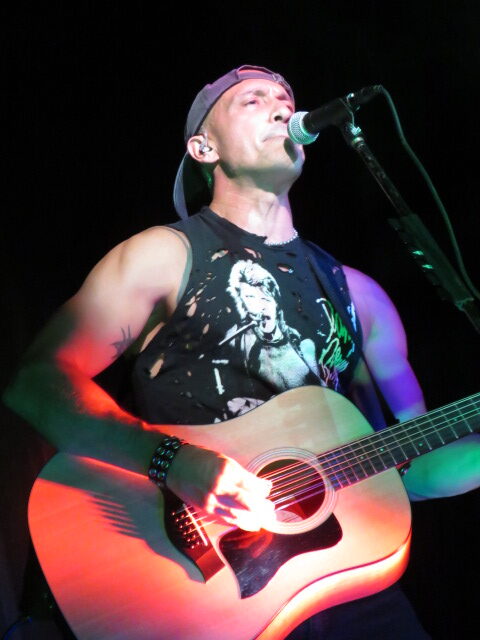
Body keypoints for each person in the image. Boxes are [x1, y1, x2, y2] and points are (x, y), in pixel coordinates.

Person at [4, 65, 479, 639]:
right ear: (203, 147)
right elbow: (37, 383)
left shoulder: (362, 297)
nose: (282, 108)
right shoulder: (163, 255)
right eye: (253, 100)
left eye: (286, 99)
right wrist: (171, 460)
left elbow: (411, 466)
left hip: (345, 580)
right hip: (193, 587)